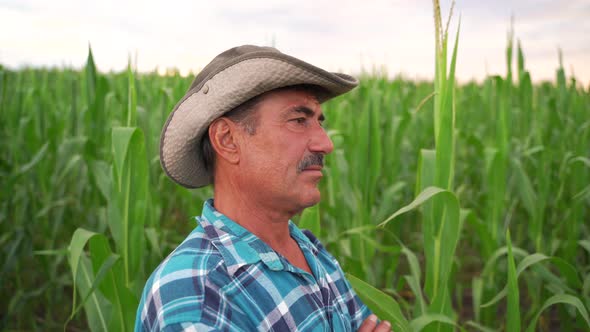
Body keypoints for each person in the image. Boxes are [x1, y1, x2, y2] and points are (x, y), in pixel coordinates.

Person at [135, 45, 392, 332]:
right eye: (298, 120)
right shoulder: (199, 296)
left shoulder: (307, 249)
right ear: (228, 140)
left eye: (318, 122)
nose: (325, 144)